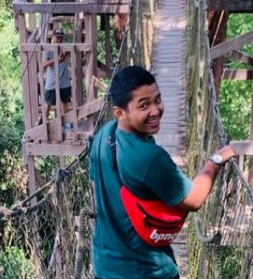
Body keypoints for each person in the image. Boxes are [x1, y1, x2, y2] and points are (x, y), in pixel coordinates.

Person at [89, 65, 237, 279]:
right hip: (147, 271)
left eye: (157, 100)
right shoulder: (149, 157)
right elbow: (194, 200)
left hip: (105, 267)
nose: (155, 110)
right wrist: (215, 160)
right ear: (120, 112)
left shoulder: (104, 134)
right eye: (144, 105)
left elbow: (95, 185)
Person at [42, 28, 72, 123]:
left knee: (65, 103)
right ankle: (45, 124)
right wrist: (56, 59)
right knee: (48, 104)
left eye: (60, 38)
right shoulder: (48, 49)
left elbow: (70, 51)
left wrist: (65, 52)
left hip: (64, 81)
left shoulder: (64, 46)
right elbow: (44, 64)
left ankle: (66, 123)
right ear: (53, 37)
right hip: (52, 81)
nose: (59, 40)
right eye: (57, 37)